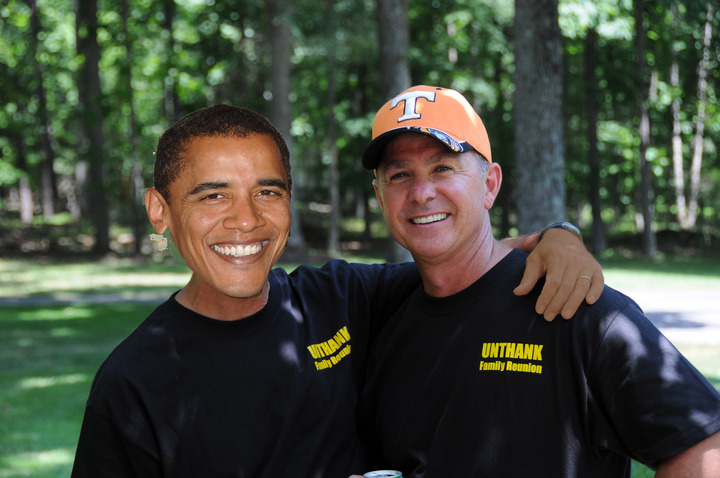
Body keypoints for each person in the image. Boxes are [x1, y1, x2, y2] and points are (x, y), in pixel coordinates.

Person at [70, 104, 603, 477]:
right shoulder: (133, 383)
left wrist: (558, 237)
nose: (246, 220)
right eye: (213, 196)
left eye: (267, 192)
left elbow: (463, 256)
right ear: (159, 211)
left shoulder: (340, 299)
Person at [354, 85, 720, 477]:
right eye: (400, 175)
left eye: (443, 168)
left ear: (490, 185)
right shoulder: (380, 313)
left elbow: (703, 450)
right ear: (380, 197)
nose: (421, 193)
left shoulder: (574, 303)